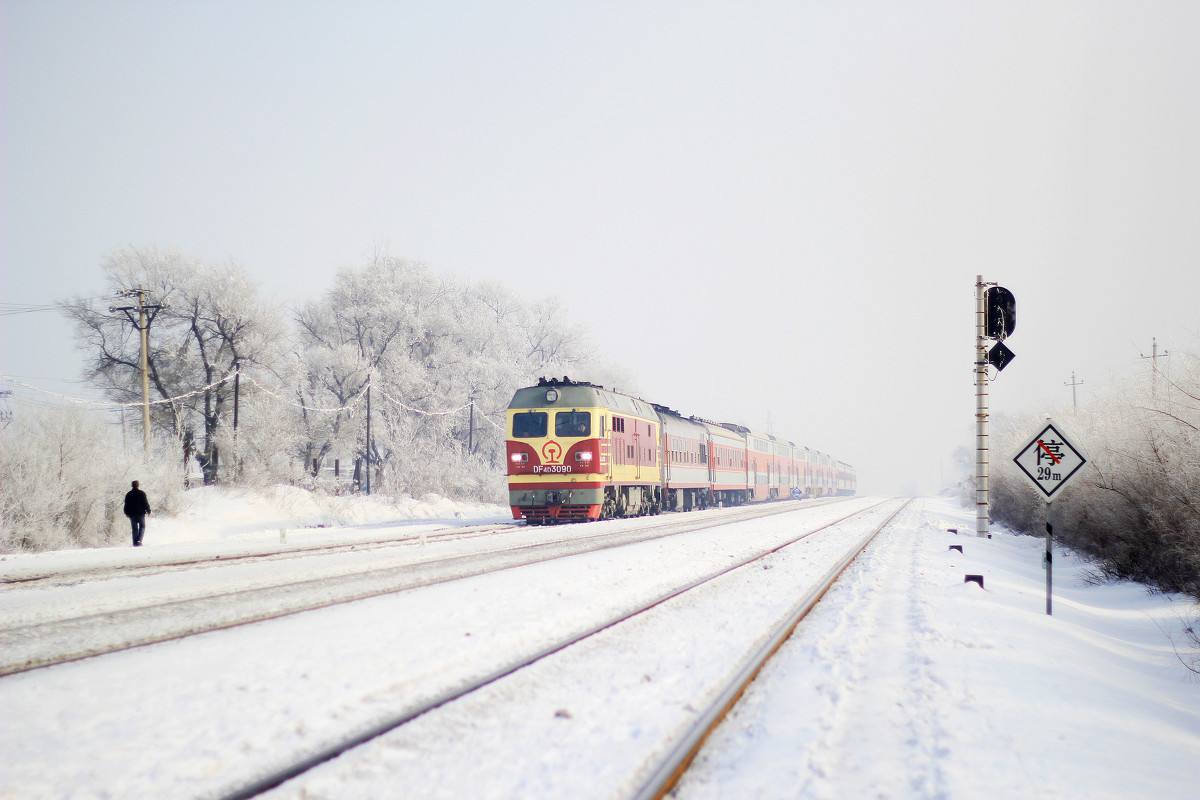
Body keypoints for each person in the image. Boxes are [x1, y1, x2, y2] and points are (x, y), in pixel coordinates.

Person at [123, 480, 151, 547]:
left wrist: (126, 513)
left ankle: (135, 543)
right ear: (138, 485)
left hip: (132, 514)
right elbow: (145, 503)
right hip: (141, 513)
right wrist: (148, 510)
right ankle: (139, 540)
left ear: (131, 485)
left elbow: (126, 505)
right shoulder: (142, 493)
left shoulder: (128, 494)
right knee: (142, 526)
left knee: (134, 529)